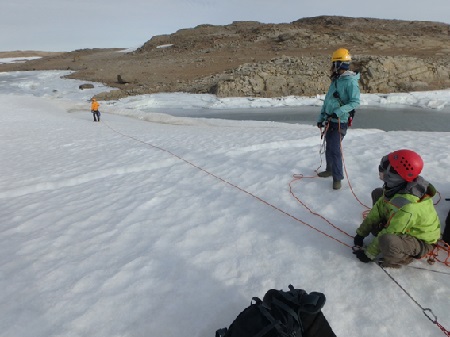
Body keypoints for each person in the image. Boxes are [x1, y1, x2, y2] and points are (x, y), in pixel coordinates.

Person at [353, 149, 441, 268]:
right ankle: (381, 233)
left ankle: (399, 259)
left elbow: (392, 230)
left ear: (394, 175)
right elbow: (379, 207)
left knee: (387, 240)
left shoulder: (408, 206)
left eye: (383, 169)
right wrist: (361, 233)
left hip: (421, 241)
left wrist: (369, 254)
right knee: (378, 193)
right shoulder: (396, 186)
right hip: (401, 224)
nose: (380, 170)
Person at [317, 48, 360, 190]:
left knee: (335, 149)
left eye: (333, 63)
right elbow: (328, 101)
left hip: (340, 122)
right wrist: (321, 117)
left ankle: (337, 178)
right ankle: (329, 169)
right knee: (329, 147)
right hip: (330, 121)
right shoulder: (336, 80)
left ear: (339, 64)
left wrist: (339, 112)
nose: (331, 66)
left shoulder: (350, 82)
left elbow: (355, 102)